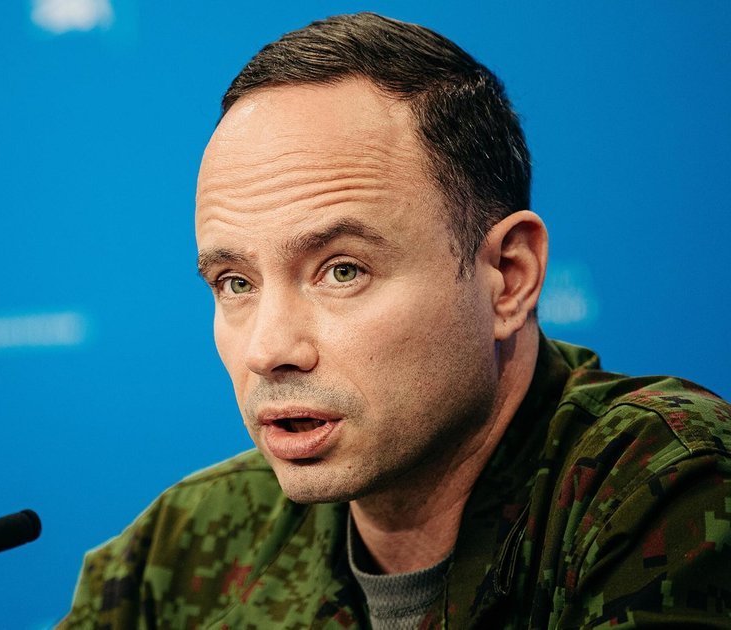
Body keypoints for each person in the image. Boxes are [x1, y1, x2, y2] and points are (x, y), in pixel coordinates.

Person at [59, 12, 731, 629]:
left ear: (509, 278)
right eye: (236, 283)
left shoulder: (666, 488)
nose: (268, 349)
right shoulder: (177, 551)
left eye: (341, 270)